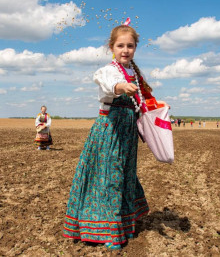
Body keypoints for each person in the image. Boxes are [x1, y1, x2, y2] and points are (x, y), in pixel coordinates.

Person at [63, 20, 165, 250]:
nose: (125, 50)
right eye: (120, 46)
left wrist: (159, 104)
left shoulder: (134, 74)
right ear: (111, 47)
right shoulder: (109, 71)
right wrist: (121, 86)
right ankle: (104, 230)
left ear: (135, 48)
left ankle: (123, 223)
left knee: (124, 174)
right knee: (108, 175)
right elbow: (109, 85)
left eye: (130, 46)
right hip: (110, 129)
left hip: (127, 131)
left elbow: (143, 101)